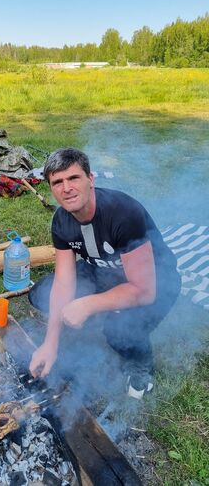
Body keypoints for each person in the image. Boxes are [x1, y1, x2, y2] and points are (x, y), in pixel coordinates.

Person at [29, 148, 181, 399]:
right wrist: (50, 344)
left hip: (156, 281)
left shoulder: (123, 214)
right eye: (58, 182)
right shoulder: (61, 221)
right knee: (40, 294)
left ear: (90, 179)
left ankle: (141, 366)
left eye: (74, 178)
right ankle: (102, 312)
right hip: (104, 272)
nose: (66, 188)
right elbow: (64, 282)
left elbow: (144, 291)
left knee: (118, 332)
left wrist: (87, 304)